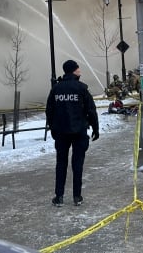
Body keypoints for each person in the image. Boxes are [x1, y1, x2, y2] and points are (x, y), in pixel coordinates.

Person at [46, 60, 99, 207]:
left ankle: (59, 196)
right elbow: (91, 111)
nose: (80, 70)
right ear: (73, 71)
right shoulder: (82, 88)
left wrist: (53, 128)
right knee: (78, 164)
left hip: (61, 133)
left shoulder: (56, 89)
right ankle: (77, 196)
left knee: (61, 164)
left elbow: (49, 111)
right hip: (79, 131)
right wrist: (95, 128)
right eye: (78, 68)